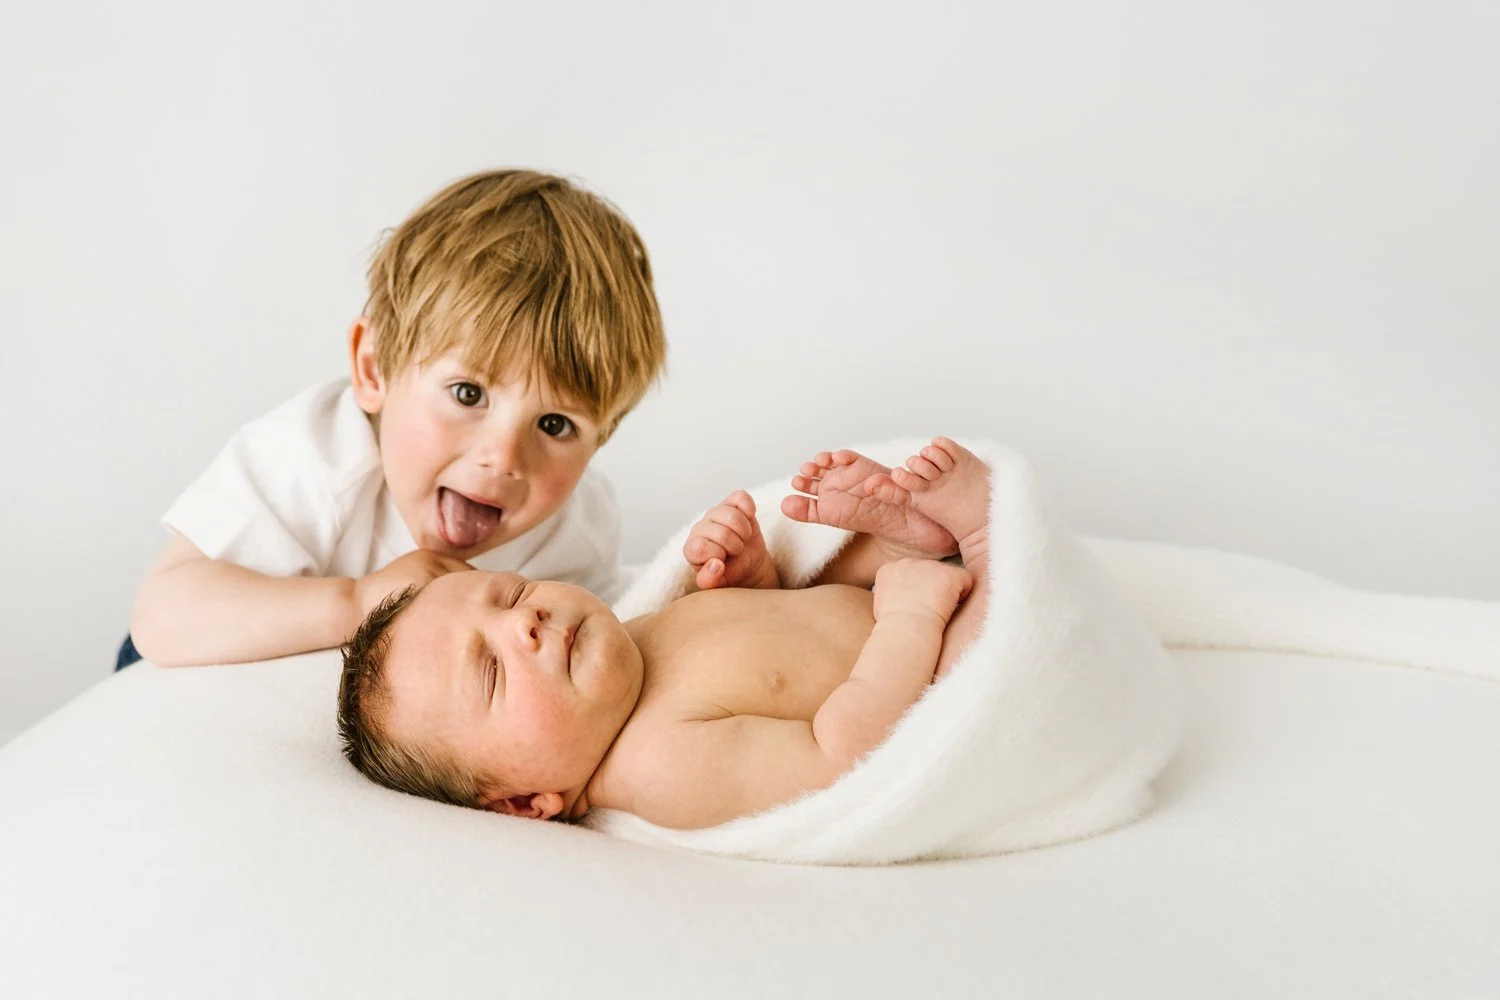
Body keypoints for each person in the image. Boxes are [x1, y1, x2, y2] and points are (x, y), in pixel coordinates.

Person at [124, 169, 666, 669]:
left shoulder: (577, 533)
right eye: (468, 393)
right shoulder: (312, 459)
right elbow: (161, 616)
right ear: (373, 367)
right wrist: (355, 603)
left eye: (554, 426)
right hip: (206, 641)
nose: (503, 457)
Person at [338, 437, 992, 831]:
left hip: (890, 606)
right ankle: (983, 545)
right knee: (979, 651)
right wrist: (911, 621)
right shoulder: (660, 767)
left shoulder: (628, 644)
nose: (522, 623)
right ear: (524, 803)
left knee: (842, 570)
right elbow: (839, 755)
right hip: (929, 671)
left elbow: (774, 648)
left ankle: (896, 544)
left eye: (512, 594)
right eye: (492, 671)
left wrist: (752, 578)